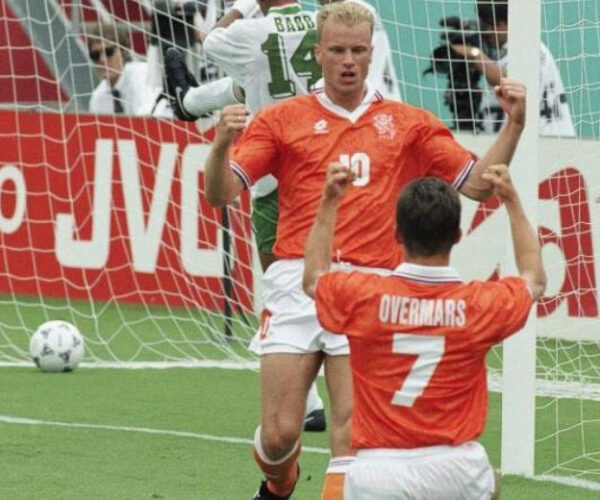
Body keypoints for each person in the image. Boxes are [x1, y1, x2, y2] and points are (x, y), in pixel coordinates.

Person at [204, 2, 527, 498]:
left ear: (371, 53)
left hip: (370, 289)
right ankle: (279, 480)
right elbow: (222, 193)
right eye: (337, 50)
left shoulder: (407, 123)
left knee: (351, 437)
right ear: (319, 53)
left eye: (358, 50)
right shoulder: (283, 119)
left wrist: (513, 127)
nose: (348, 60)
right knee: (279, 433)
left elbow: (478, 187)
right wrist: (221, 145)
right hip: (297, 279)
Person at [302, 165, 546, 499]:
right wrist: (512, 201)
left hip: (378, 470)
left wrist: (329, 200)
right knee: (489, 479)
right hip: (456, 468)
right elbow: (534, 278)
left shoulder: (364, 296)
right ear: (457, 236)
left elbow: (314, 277)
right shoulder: (479, 303)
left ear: (397, 234)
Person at [166, 0, 328, 435]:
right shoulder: (325, 22)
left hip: (276, 172)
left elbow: (212, 38)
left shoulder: (250, 32)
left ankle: (310, 401)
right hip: (329, 159)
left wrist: (241, 7)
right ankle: (189, 101)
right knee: (338, 279)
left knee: (282, 284)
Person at [451, 0, 575, 136]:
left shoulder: (529, 45)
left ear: (511, 23)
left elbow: (506, 80)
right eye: (486, 25)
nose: (488, 31)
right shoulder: (501, 52)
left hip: (548, 138)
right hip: (529, 140)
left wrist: (473, 53)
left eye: (495, 25)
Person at [87, 22, 161, 116]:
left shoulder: (142, 76)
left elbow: (145, 121)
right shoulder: (97, 98)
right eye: (95, 55)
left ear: (123, 51)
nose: (102, 60)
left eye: (109, 52)